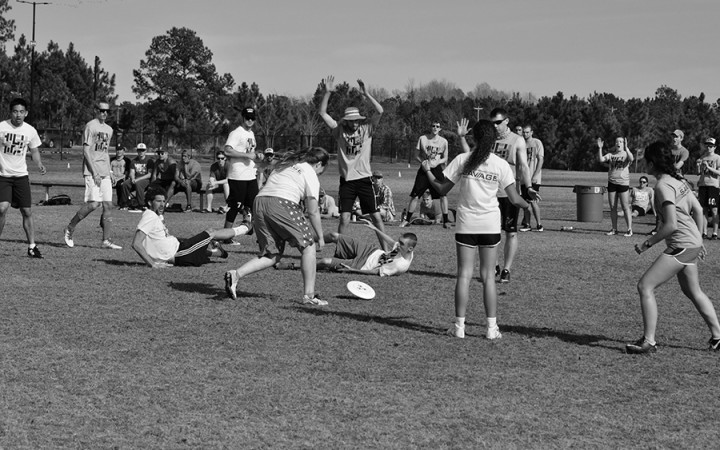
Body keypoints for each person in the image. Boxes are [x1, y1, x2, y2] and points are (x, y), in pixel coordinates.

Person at [422, 120, 531, 340]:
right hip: (490, 225)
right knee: (488, 278)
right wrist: (529, 204)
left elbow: (442, 188)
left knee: (464, 275)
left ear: (475, 138)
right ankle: (492, 330)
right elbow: (514, 198)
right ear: (493, 140)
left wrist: (428, 172)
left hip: (466, 225)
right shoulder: (500, 164)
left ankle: (459, 327)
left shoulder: (463, 159)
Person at [627, 141, 720, 354]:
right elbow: (697, 210)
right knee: (693, 291)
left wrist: (646, 243)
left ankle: (649, 341)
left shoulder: (662, 186)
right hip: (691, 244)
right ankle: (718, 337)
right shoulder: (679, 181)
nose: (644, 165)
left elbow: (671, 225)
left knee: (645, 286)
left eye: (645, 161)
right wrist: (699, 240)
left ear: (652, 163)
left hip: (682, 246)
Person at [223, 147, 329, 305]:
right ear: (319, 164)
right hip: (281, 202)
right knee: (308, 247)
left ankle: (236, 275)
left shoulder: (287, 165)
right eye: (322, 170)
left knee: (272, 254)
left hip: (259, 202)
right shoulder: (309, 172)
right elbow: (313, 211)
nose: (320, 173)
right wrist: (320, 237)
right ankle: (309, 295)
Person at [319, 75, 385, 235]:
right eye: (352, 120)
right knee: (344, 218)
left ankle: (386, 250)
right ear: (346, 121)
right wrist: (327, 93)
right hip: (347, 181)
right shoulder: (339, 131)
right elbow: (322, 113)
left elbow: (380, 111)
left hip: (364, 179)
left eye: (357, 120)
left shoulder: (367, 129)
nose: (355, 123)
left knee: (376, 217)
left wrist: (366, 94)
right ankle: (340, 249)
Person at [132, 186, 251, 268]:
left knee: (200, 254)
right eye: (158, 201)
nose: (162, 204)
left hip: (180, 249)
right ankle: (245, 228)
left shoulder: (154, 215)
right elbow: (136, 243)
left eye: (164, 201)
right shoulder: (149, 216)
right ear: (149, 202)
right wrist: (152, 264)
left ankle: (217, 251)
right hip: (180, 254)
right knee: (210, 232)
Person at [484, 108, 537, 283]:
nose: (495, 126)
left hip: (509, 193)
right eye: (492, 123)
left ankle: (506, 269)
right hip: (489, 192)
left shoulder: (517, 140)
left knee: (510, 232)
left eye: (498, 122)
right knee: (490, 233)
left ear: (507, 121)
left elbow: (523, 166)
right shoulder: (488, 138)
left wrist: (528, 187)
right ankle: (494, 266)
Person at [64, 101, 122, 250]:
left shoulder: (109, 130)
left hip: (104, 171)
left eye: (107, 111)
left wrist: (109, 171)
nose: (104, 113)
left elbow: (105, 152)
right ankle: (70, 227)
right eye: (102, 110)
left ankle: (106, 240)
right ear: (96, 110)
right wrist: (94, 172)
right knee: (94, 204)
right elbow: (86, 151)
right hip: (92, 171)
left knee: (108, 204)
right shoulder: (91, 126)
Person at [0, 98, 47, 258]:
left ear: (26, 113)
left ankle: (32, 247)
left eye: (21, 112)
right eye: (15, 111)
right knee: (2, 208)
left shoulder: (30, 131)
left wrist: (39, 163)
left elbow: (34, 151)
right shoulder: (2, 127)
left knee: (27, 211)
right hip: (3, 176)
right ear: (10, 112)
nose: (18, 115)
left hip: (21, 176)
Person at [314, 219, 416, 276]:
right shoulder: (405, 249)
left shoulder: (400, 265)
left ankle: (303, 267)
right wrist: (375, 228)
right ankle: (305, 241)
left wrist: (352, 270)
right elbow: (391, 241)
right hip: (370, 250)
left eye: (401, 243)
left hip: (362, 265)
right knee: (334, 235)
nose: (398, 244)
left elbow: (376, 272)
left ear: (410, 248)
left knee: (325, 261)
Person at [400, 121, 451, 228]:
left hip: (436, 169)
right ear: (430, 127)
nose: (435, 128)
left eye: (437, 126)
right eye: (433, 126)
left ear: (440, 129)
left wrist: (439, 162)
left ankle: (446, 221)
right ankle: (407, 220)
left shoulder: (444, 141)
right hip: (424, 170)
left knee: (443, 194)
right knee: (415, 195)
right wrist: (422, 162)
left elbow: (445, 158)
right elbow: (416, 155)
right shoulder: (423, 138)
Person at [223, 107, 258, 236]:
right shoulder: (237, 132)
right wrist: (246, 155)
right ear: (243, 118)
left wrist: (256, 156)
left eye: (252, 118)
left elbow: (250, 152)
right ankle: (226, 235)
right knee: (235, 206)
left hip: (250, 175)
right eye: (247, 118)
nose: (250, 120)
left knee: (253, 204)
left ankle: (247, 226)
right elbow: (227, 150)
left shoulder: (251, 134)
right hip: (238, 176)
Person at [598, 136, 634, 237]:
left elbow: (632, 158)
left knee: (625, 206)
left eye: (621, 142)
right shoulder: (611, 155)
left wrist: (627, 148)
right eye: (617, 141)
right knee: (613, 207)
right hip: (612, 183)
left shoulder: (626, 154)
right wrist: (600, 148)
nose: (618, 143)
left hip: (623, 183)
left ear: (623, 144)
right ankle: (614, 229)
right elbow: (601, 159)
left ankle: (629, 229)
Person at [519, 125, 545, 232]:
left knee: (533, 201)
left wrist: (535, 174)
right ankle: (527, 225)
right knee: (525, 202)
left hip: (533, 178)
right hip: (523, 178)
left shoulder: (537, 143)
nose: (525, 134)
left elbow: (540, 160)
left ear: (532, 132)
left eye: (527, 132)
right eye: (524, 132)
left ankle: (539, 225)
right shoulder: (521, 143)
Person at [695, 137, 720, 239]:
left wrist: (708, 167)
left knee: (714, 210)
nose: (709, 148)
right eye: (707, 145)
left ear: (715, 147)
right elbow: (698, 173)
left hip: (713, 185)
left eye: (711, 146)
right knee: (703, 210)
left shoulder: (717, 158)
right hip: (703, 185)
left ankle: (714, 233)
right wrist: (697, 165)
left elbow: (719, 172)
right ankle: (704, 232)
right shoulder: (703, 157)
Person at [121, 143, 154, 210]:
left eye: (143, 150)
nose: (141, 152)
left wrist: (137, 180)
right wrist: (133, 178)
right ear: (137, 151)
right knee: (125, 184)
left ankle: (141, 204)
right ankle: (125, 203)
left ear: (145, 151)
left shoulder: (149, 161)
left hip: (145, 179)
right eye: (139, 150)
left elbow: (149, 174)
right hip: (135, 178)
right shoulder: (134, 161)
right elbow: (132, 172)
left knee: (139, 184)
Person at [205, 149, 230, 213]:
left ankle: (228, 206)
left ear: (225, 158)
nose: (220, 160)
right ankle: (209, 208)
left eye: (222, 158)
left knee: (226, 185)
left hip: (231, 186)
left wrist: (215, 182)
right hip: (219, 185)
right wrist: (211, 182)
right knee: (209, 186)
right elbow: (212, 177)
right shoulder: (214, 166)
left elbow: (228, 180)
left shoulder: (228, 165)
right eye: (218, 158)